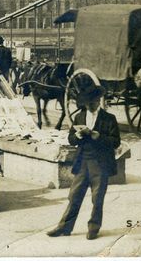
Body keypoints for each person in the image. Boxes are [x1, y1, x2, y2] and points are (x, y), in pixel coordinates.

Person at [47, 86, 120, 240]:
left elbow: (115, 142)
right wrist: (78, 136)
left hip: (100, 164)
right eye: (87, 103)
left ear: (98, 100)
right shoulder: (80, 117)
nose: (89, 105)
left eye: (92, 102)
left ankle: (93, 228)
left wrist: (98, 136)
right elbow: (70, 139)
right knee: (74, 196)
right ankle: (64, 227)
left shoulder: (109, 118)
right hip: (82, 163)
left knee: (97, 198)